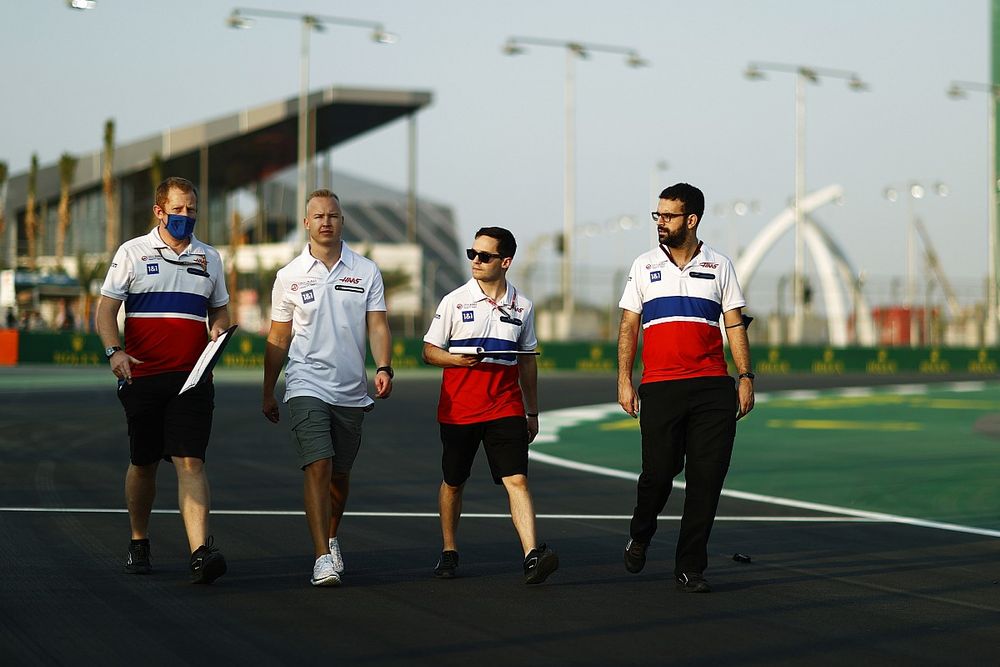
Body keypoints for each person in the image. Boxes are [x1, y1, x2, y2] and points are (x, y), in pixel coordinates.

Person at [617, 182, 754, 593]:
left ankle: (690, 566)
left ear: (691, 219)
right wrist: (624, 379)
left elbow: (734, 323)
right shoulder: (643, 266)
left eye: (668, 216)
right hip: (660, 387)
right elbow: (629, 325)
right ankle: (641, 534)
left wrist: (745, 377)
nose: (660, 222)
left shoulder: (720, 265)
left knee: (706, 478)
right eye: (657, 215)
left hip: (713, 387)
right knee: (658, 474)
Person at [96, 176, 230, 584]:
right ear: (159, 211)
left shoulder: (209, 257)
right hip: (143, 377)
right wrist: (114, 351)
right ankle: (139, 540)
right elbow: (105, 312)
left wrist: (219, 330)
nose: (186, 216)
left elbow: (220, 312)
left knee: (191, 461)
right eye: (178, 209)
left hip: (192, 381)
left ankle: (199, 552)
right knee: (144, 463)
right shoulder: (132, 252)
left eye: (192, 209)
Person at [262, 189, 393, 587]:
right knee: (317, 464)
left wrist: (383, 365)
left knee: (339, 474)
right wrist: (269, 390)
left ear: (341, 221)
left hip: (352, 389)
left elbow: (377, 325)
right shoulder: (289, 275)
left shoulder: (366, 270)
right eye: (317, 215)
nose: (325, 221)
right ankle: (321, 557)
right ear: (306, 223)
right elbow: (279, 337)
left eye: (332, 215)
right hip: (305, 382)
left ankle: (332, 537)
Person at [422, 226, 558, 585]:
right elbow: (429, 351)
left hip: (506, 407)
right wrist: (457, 360)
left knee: (518, 481)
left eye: (484, 256)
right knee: (454, 481)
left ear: (506, 261)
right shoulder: (454, 300)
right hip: (459, 409)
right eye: (473, 254)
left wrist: (532, 412)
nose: (476, 261)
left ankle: (532, 555)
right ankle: (449, 550)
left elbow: (527, 362)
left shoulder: (523, 306)